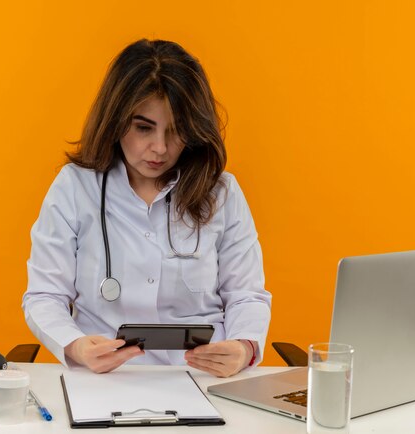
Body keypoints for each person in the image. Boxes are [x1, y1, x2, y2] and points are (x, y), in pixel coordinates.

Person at [23, 39, 271, 378]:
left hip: (204, 379)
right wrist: (75, 344)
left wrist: (245, 347)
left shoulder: (221, 192)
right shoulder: (75, 187)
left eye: (176, 131)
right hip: (106, 380)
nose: (160, 148)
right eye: (143, 128)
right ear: (115, 121)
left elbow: (246, 296)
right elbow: (44, 296)